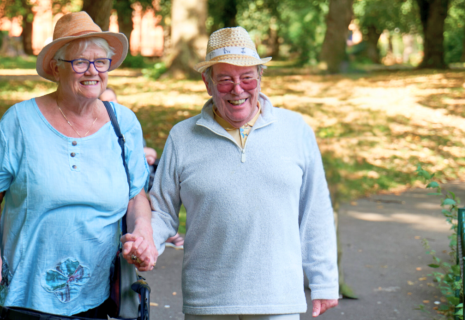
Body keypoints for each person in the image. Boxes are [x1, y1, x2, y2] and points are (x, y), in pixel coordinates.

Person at [144, 27, 339, 320]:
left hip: (277, 299)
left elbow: (315, 211)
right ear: (207, 83)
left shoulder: (295, 130)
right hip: (208, 300)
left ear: (260, 79)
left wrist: (324, 281)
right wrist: (146, 245)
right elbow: (162, 210)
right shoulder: (182, 136)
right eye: (225, 80)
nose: (238, 89)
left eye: (247, 77)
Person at [0, 11, 157, 318]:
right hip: (23, 294)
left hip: (96, 295)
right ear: (56, 68)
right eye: (80, 62)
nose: (93, 71)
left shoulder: (123, 123)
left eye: (101, 61)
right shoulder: (20, 121)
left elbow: (136, 192)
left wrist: (144, 231)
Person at [100, 87, 185, 249]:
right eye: (105, 101)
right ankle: (164, 233)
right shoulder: (101, 131)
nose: (111, 104)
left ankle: (161, 232)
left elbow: (148, 154)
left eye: (113, 100)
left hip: (141, 179)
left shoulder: (125, 125)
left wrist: (144, 154)